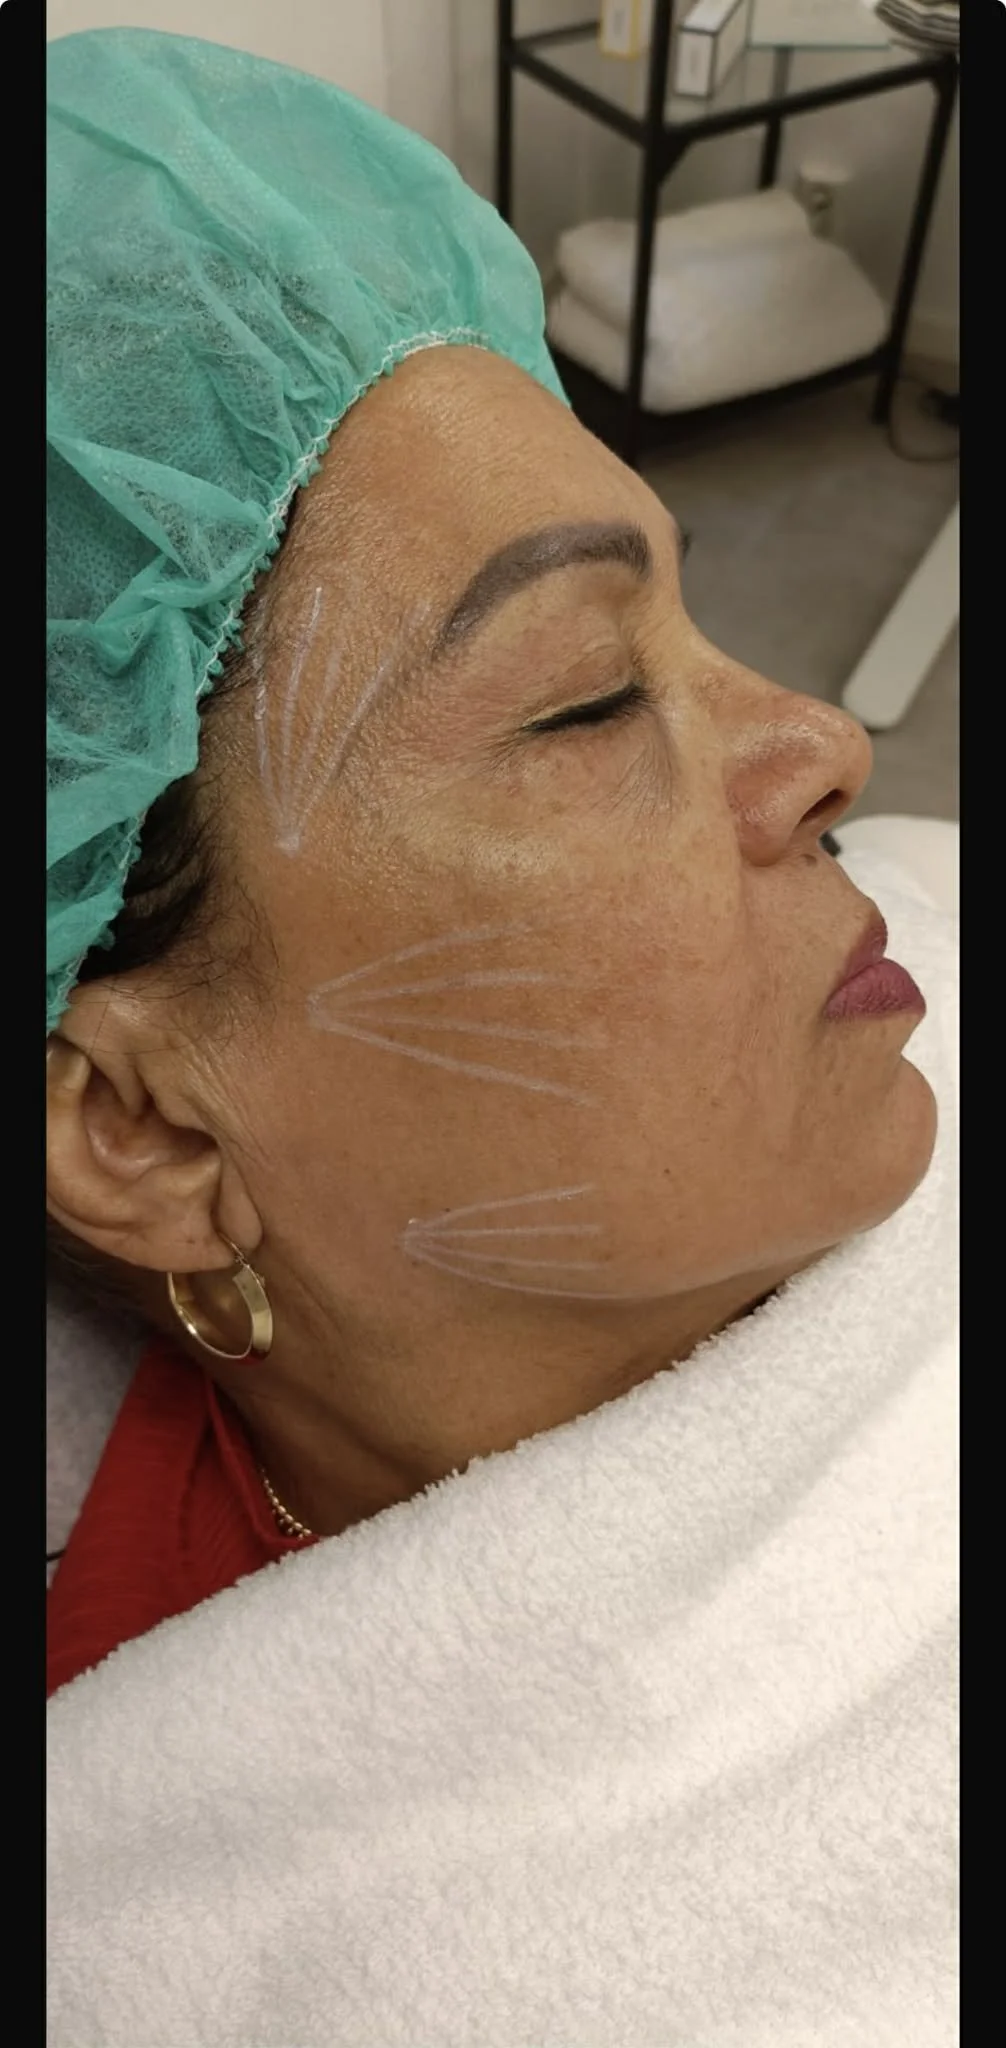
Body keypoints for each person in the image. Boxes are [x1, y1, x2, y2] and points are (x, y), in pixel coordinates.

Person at [46, 29, 958, 2047]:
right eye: (580, 703)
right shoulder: (177, 1896)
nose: (826, 745)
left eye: (692, 625)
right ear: (145, 1131)